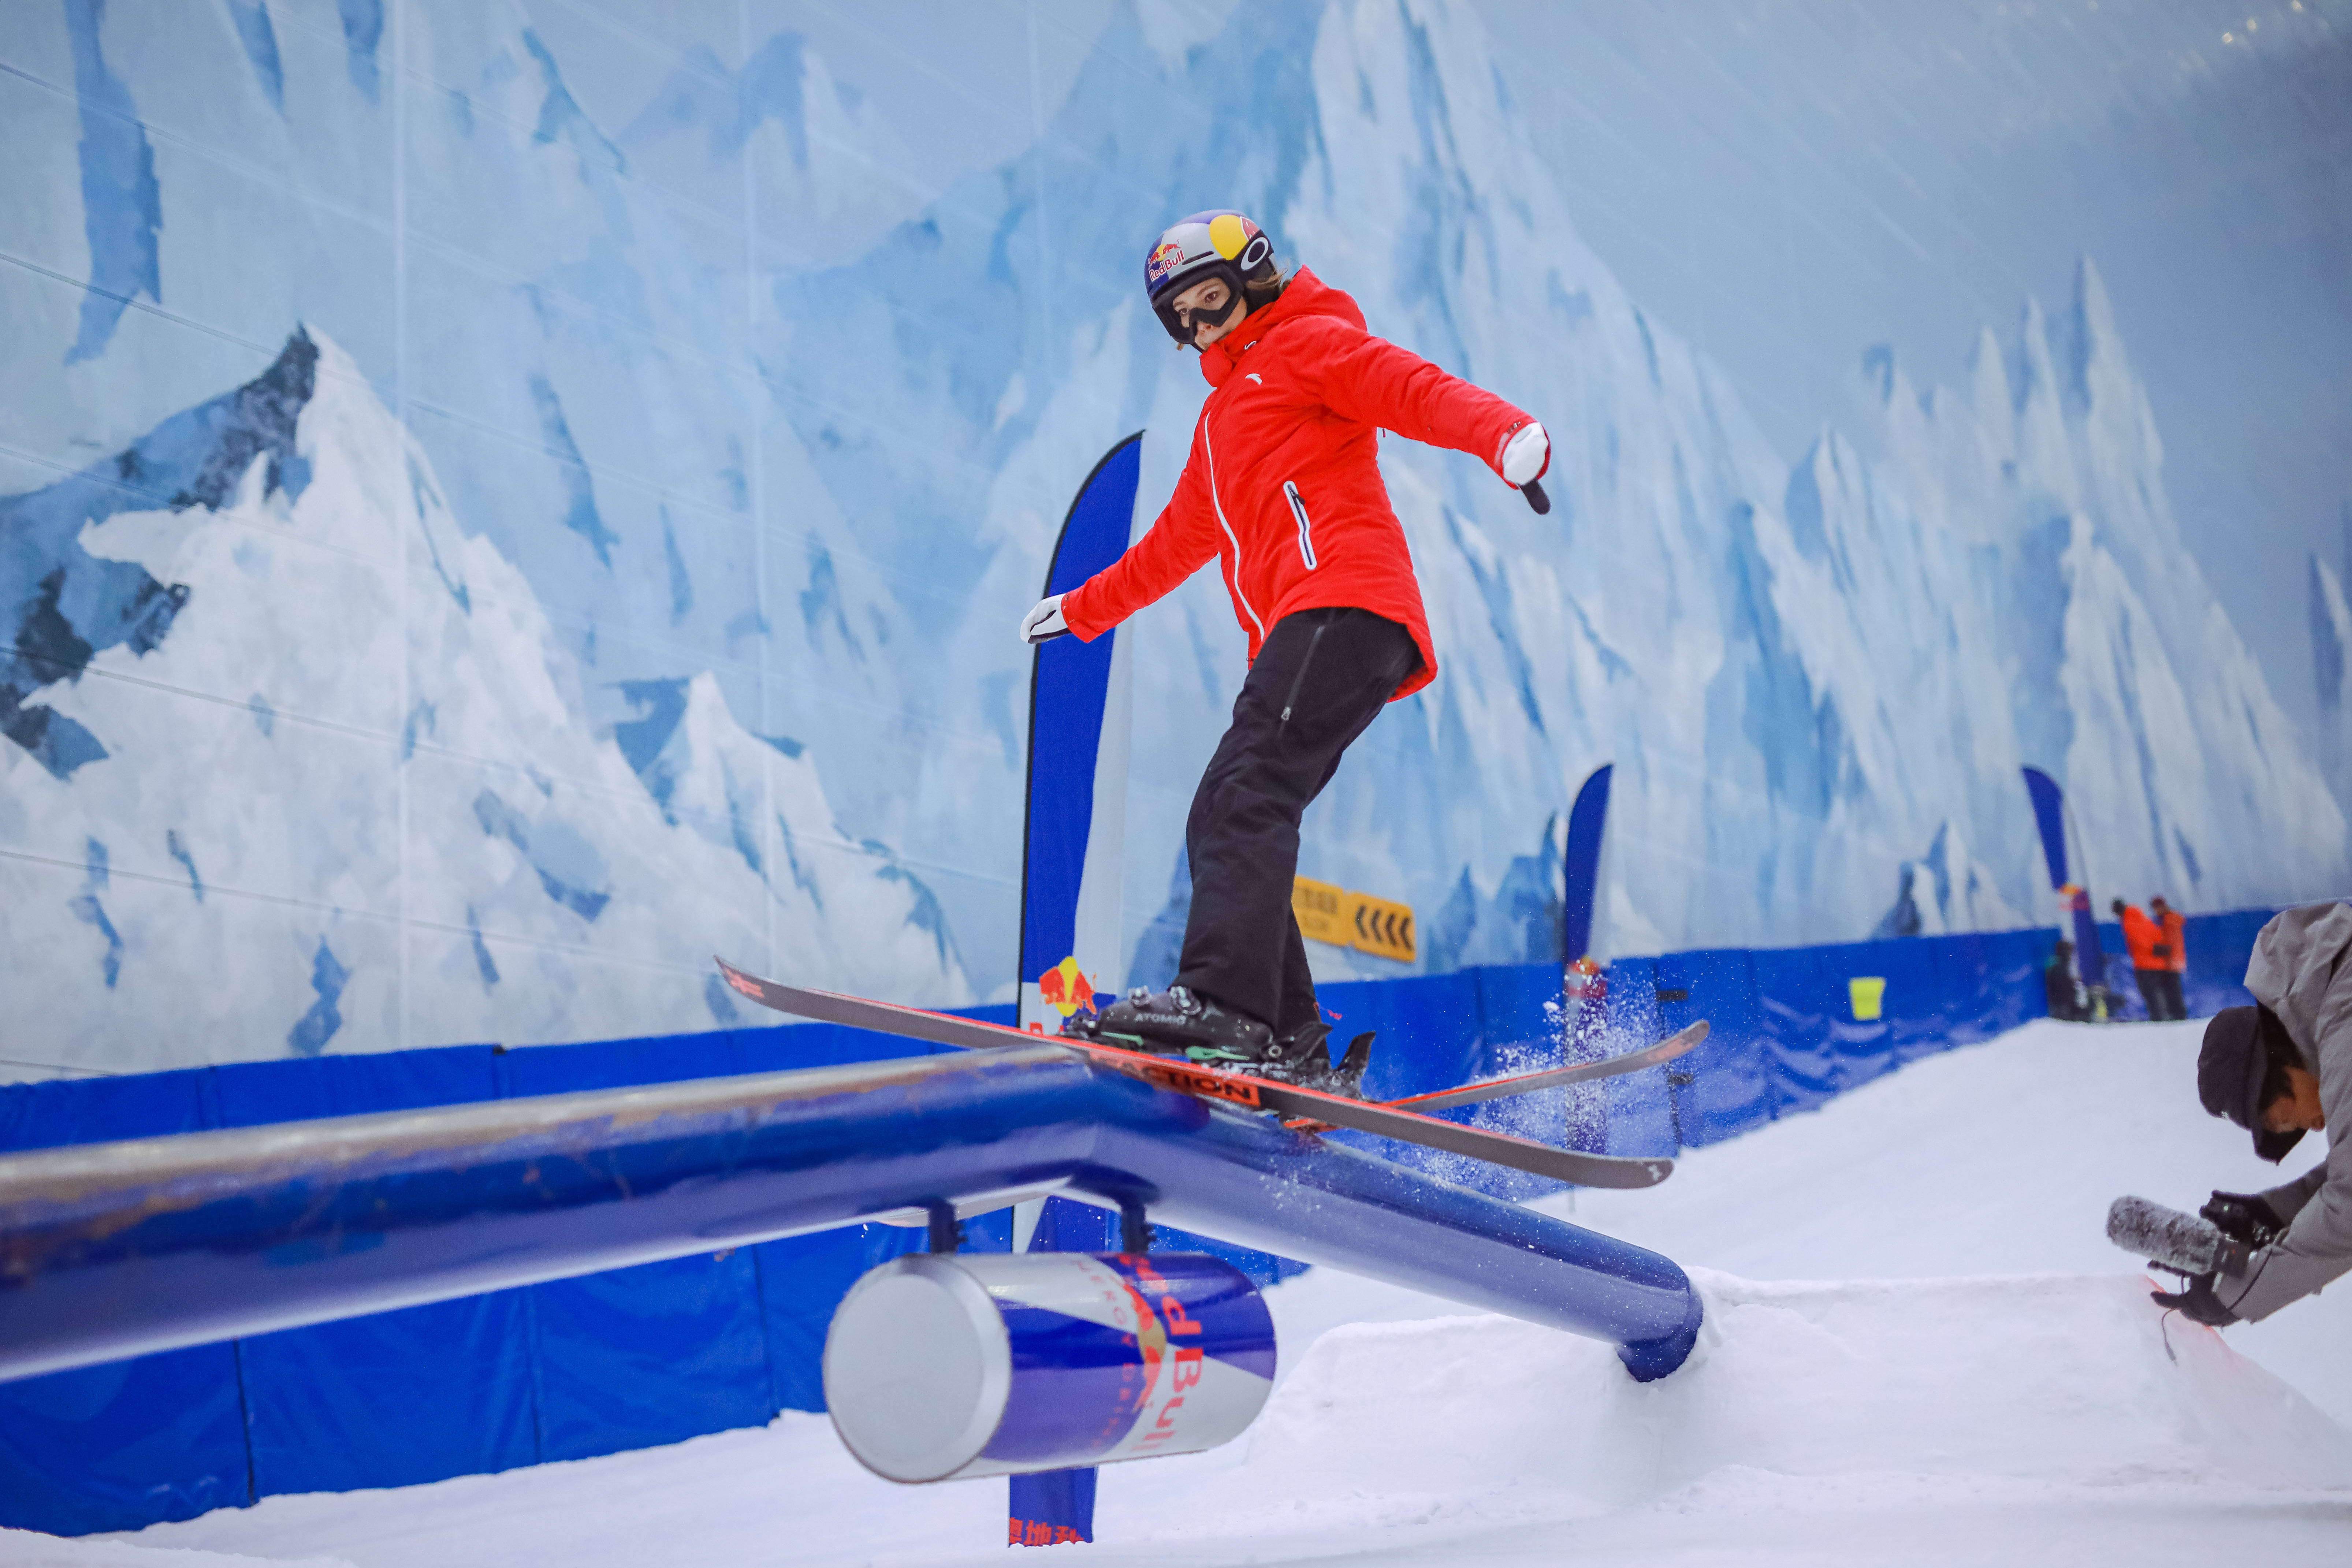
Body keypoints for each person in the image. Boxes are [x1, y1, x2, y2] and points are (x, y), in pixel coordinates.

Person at [1019, 210, 1548, 1081]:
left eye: (1211, 299)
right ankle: (1285, 1038)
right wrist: (1080, 609)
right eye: (1181, 318)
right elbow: (1168, 550)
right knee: (1222, 809)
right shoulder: (1221, 425)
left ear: (1254, 276)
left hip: (1344, 602)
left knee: (1248, 791)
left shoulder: (1307, 345)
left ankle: (1225, 1006)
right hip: (1314, 625)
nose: (1200, 325)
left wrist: (1503, 434)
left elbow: (1409, 388)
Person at [2151, 902, 2347, 1326]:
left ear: (2274, 1067)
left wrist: (2236, 1295)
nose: (2316, 1125)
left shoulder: (2343, 1022)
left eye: (2283, 1120)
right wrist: (2272, 1212)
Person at [2115, 897, 2173, 1021]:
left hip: (2144, 964)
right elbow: (2157, 934)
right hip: (2159, 963)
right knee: (2160, 992)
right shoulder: (2143, 918)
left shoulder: (2128, 922)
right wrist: (2159, 949)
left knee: (2150, 993)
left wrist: (2151, 949)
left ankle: (2159, 1018)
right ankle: (2165, 1016)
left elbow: (2138, 941)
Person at [2152, 895, 2188, 1021]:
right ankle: (2178, 1014)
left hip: (2172, 960)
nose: (2155, 912)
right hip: (2175, 959)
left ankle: (2179, 1015)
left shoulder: (2169, 920)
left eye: (2156, 908)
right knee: (2173, 989)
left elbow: (2170, 941)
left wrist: (2159, 949)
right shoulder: (2171, 919)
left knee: (2174, 990)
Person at [2044, 938, 2088, 1022]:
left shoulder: (2060, 964)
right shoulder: (2058, 964)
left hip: (2062, 1002)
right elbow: (2061, 985)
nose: (2071, 955)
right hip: (2062, 1004)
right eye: (2069, 952)